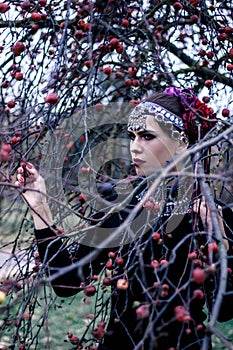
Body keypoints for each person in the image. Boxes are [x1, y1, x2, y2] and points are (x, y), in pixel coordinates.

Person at [15, 87, 233, 350]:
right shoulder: (122, 205)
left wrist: (221, 243)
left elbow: (225, 310)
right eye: (132, 136)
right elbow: (67, 282)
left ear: (182, 142)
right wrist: (39, 204)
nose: (134, 147)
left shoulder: (209, 213)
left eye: (147, 136)